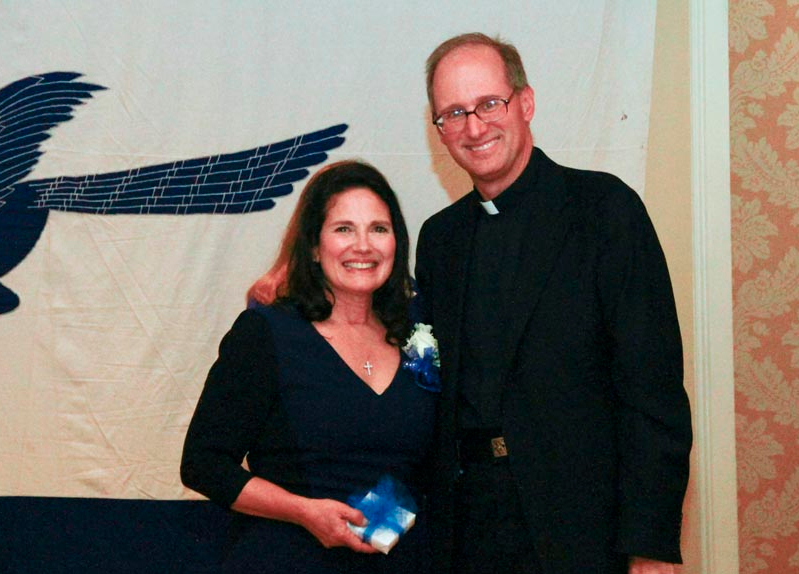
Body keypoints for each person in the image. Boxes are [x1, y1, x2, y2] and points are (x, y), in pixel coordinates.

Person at [414, 33, 693, 574]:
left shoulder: (604, 211)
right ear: (440, 130)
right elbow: (420, 372)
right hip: (469, 531)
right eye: (453, 113)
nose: (474, 127)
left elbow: (652, 390)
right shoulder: (439, 239)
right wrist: (302, 288)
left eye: (489, 104)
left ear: (526, 103)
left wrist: (650, 546)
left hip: (583, 530)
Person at [181, 160, 436, 574]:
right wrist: (303, 511)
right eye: (343, 229)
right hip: (286, 558)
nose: (363, 246)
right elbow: (203, 464)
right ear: (314, 247)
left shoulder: (418, 335)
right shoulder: (266, 332)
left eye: (378, 229)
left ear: (397, 242)